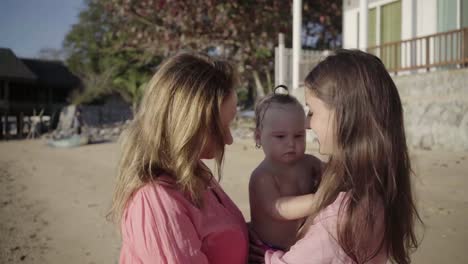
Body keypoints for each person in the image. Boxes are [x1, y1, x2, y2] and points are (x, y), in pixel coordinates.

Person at [251, 49, 421, 264]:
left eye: (311, 112)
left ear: (343, 115)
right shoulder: (379, 186)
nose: (306, 124)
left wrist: (269, 259)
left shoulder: (340, 218)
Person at [108, 53, 248, 263]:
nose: (228, 140)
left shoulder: (193, 172)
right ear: (185, 126)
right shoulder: (155, 201)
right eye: (220, 129)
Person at [249, 86, 322, 251]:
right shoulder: (263, 175)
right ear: (258, 137)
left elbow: (336, 175)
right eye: (280, 136)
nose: (291, 143)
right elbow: (280, 209)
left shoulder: (309, 163)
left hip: (299, 247)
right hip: (269, 248)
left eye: (298, 135)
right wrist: (321, 198)